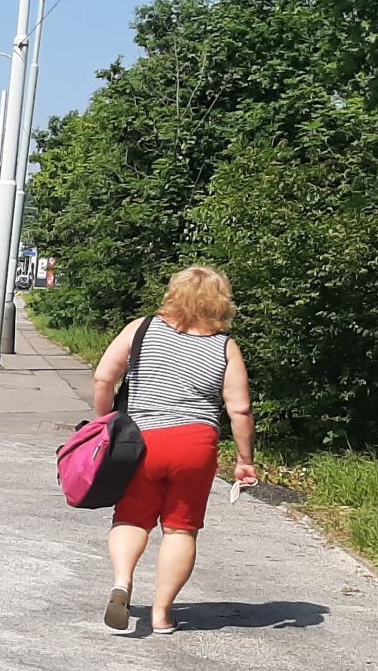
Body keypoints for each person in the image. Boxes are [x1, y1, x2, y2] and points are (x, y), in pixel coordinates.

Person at [89, 265, 256, 634]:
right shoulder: (225, 347)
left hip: (142, 441)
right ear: (221, 302)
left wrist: (105, 425)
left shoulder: (141, 328)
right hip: (195, 446)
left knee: (132, 518)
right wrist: (245, 461)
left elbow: (104, 377)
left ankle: (122, 583)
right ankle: (162, 614)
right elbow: (240, 409)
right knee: (181, 529)